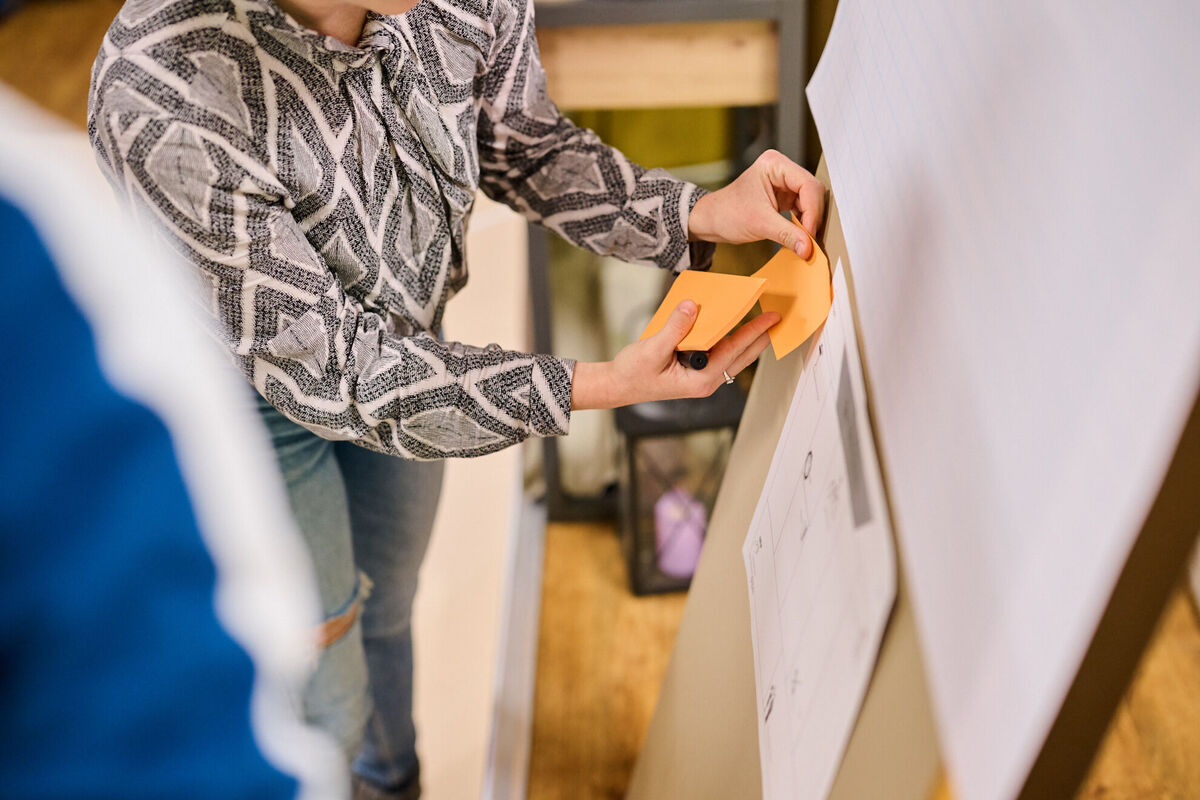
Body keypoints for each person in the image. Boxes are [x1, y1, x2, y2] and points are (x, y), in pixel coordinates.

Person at [88, 0, 826, 797]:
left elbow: (522, 147)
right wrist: (602, 384)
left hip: (411, 343)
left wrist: (697, 212)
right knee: (327, 695)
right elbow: (345, 373)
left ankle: (390, 778)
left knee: (387, 604)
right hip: (252, 398)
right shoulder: (158, 88)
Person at [0, 85, 347, 799]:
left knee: (373, 612)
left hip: (375, 377)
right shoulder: (33, 253)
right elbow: (181, 735)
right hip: (273, 402)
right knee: (329, 643)